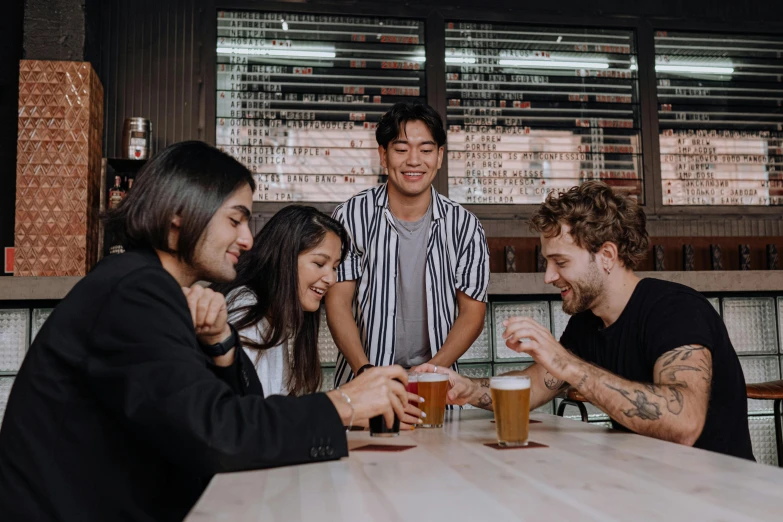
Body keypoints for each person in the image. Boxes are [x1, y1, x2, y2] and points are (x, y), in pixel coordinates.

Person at [0, 141, 418, 521]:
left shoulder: (153, 288)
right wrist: (343, 403)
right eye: (235, 220)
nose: (249, 239)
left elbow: (233, 413)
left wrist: (221, 346)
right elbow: (219, 436)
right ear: (180, 213)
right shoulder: (134, 291)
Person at [417, 181, 754, 460]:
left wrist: (565, 362)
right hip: (648, 485)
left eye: (560, 262)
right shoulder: (588, 319)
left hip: (716, 494)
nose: (549, 276)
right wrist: (467, 389)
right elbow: (536, 386)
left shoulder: (675, 310)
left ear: (606, 255)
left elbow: (684, 425)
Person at [210, 205, 424, 428]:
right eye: (320, 264)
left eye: (335, 267)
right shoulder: (246, 312)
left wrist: (356, 417)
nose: (331, 279)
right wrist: (344, 409)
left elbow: (279, 411)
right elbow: (252, 421)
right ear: (285, 256)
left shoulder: (273, 317)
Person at [326, 102, 490, 388]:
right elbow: (337, 303)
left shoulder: (465, 227)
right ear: (383, 155)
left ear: (439, 156)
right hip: (362, 383)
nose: (414, 161)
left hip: (438, 388)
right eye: (401, 150)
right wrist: (365, 373)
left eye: (426, 150)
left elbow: (472, 314)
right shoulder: (350, 217)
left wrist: (430, 374)